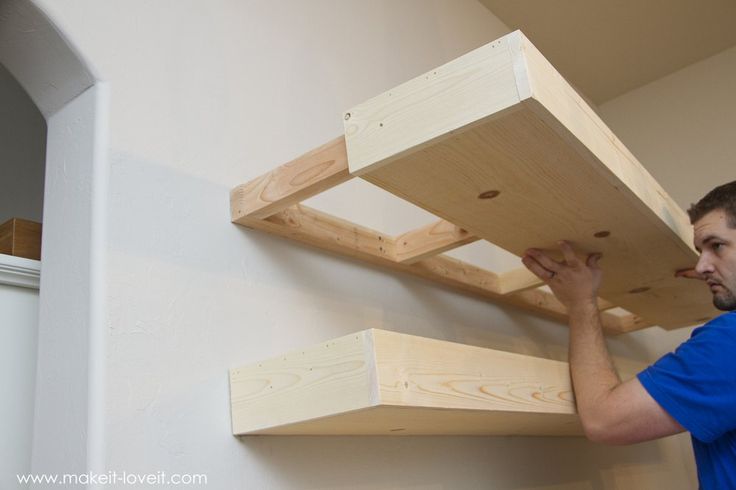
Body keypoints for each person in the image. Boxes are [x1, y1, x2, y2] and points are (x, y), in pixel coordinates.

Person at [521, 180, 736, 489]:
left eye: (716, 246)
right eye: (699, 252)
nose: (701, 266)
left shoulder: (730, 342)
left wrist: (580, 303)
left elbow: (604, 421)